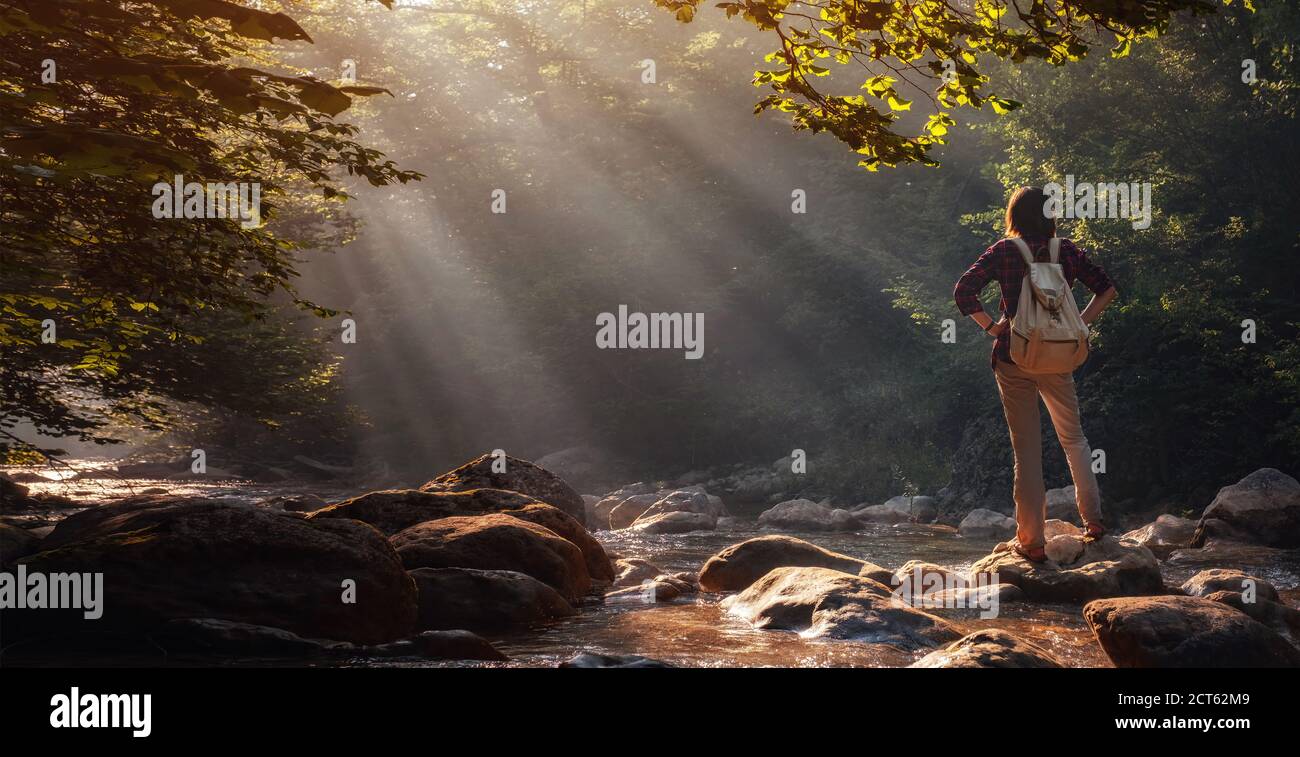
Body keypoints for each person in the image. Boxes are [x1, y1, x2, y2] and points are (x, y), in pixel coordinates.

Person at [952, 186, 1118, 562]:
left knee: (1026, 451)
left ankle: (1032, 542)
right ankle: (1093, 522)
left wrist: (994, 328)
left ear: (1014, 215)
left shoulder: (1006, 251)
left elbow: (964, 291)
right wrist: (1079, 324)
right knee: (1074, 438)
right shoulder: (1068, 251)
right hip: (1059, 358)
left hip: (1015, 357)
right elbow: (1106, 289)